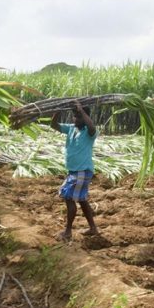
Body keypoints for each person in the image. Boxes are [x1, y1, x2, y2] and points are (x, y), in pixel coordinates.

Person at [51, 101, 99, 242]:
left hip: (82, 171)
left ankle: (68, 231)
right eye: (75, 116)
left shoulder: (89, 132)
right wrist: (57, 110)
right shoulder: (71, 129)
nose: (76, 119)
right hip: (74, 172)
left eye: (79, 117)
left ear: (85, 117)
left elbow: (91, 127)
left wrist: (82, 112)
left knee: (69, 197)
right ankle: (93, 228)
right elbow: (54, 125)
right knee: (82, 200)